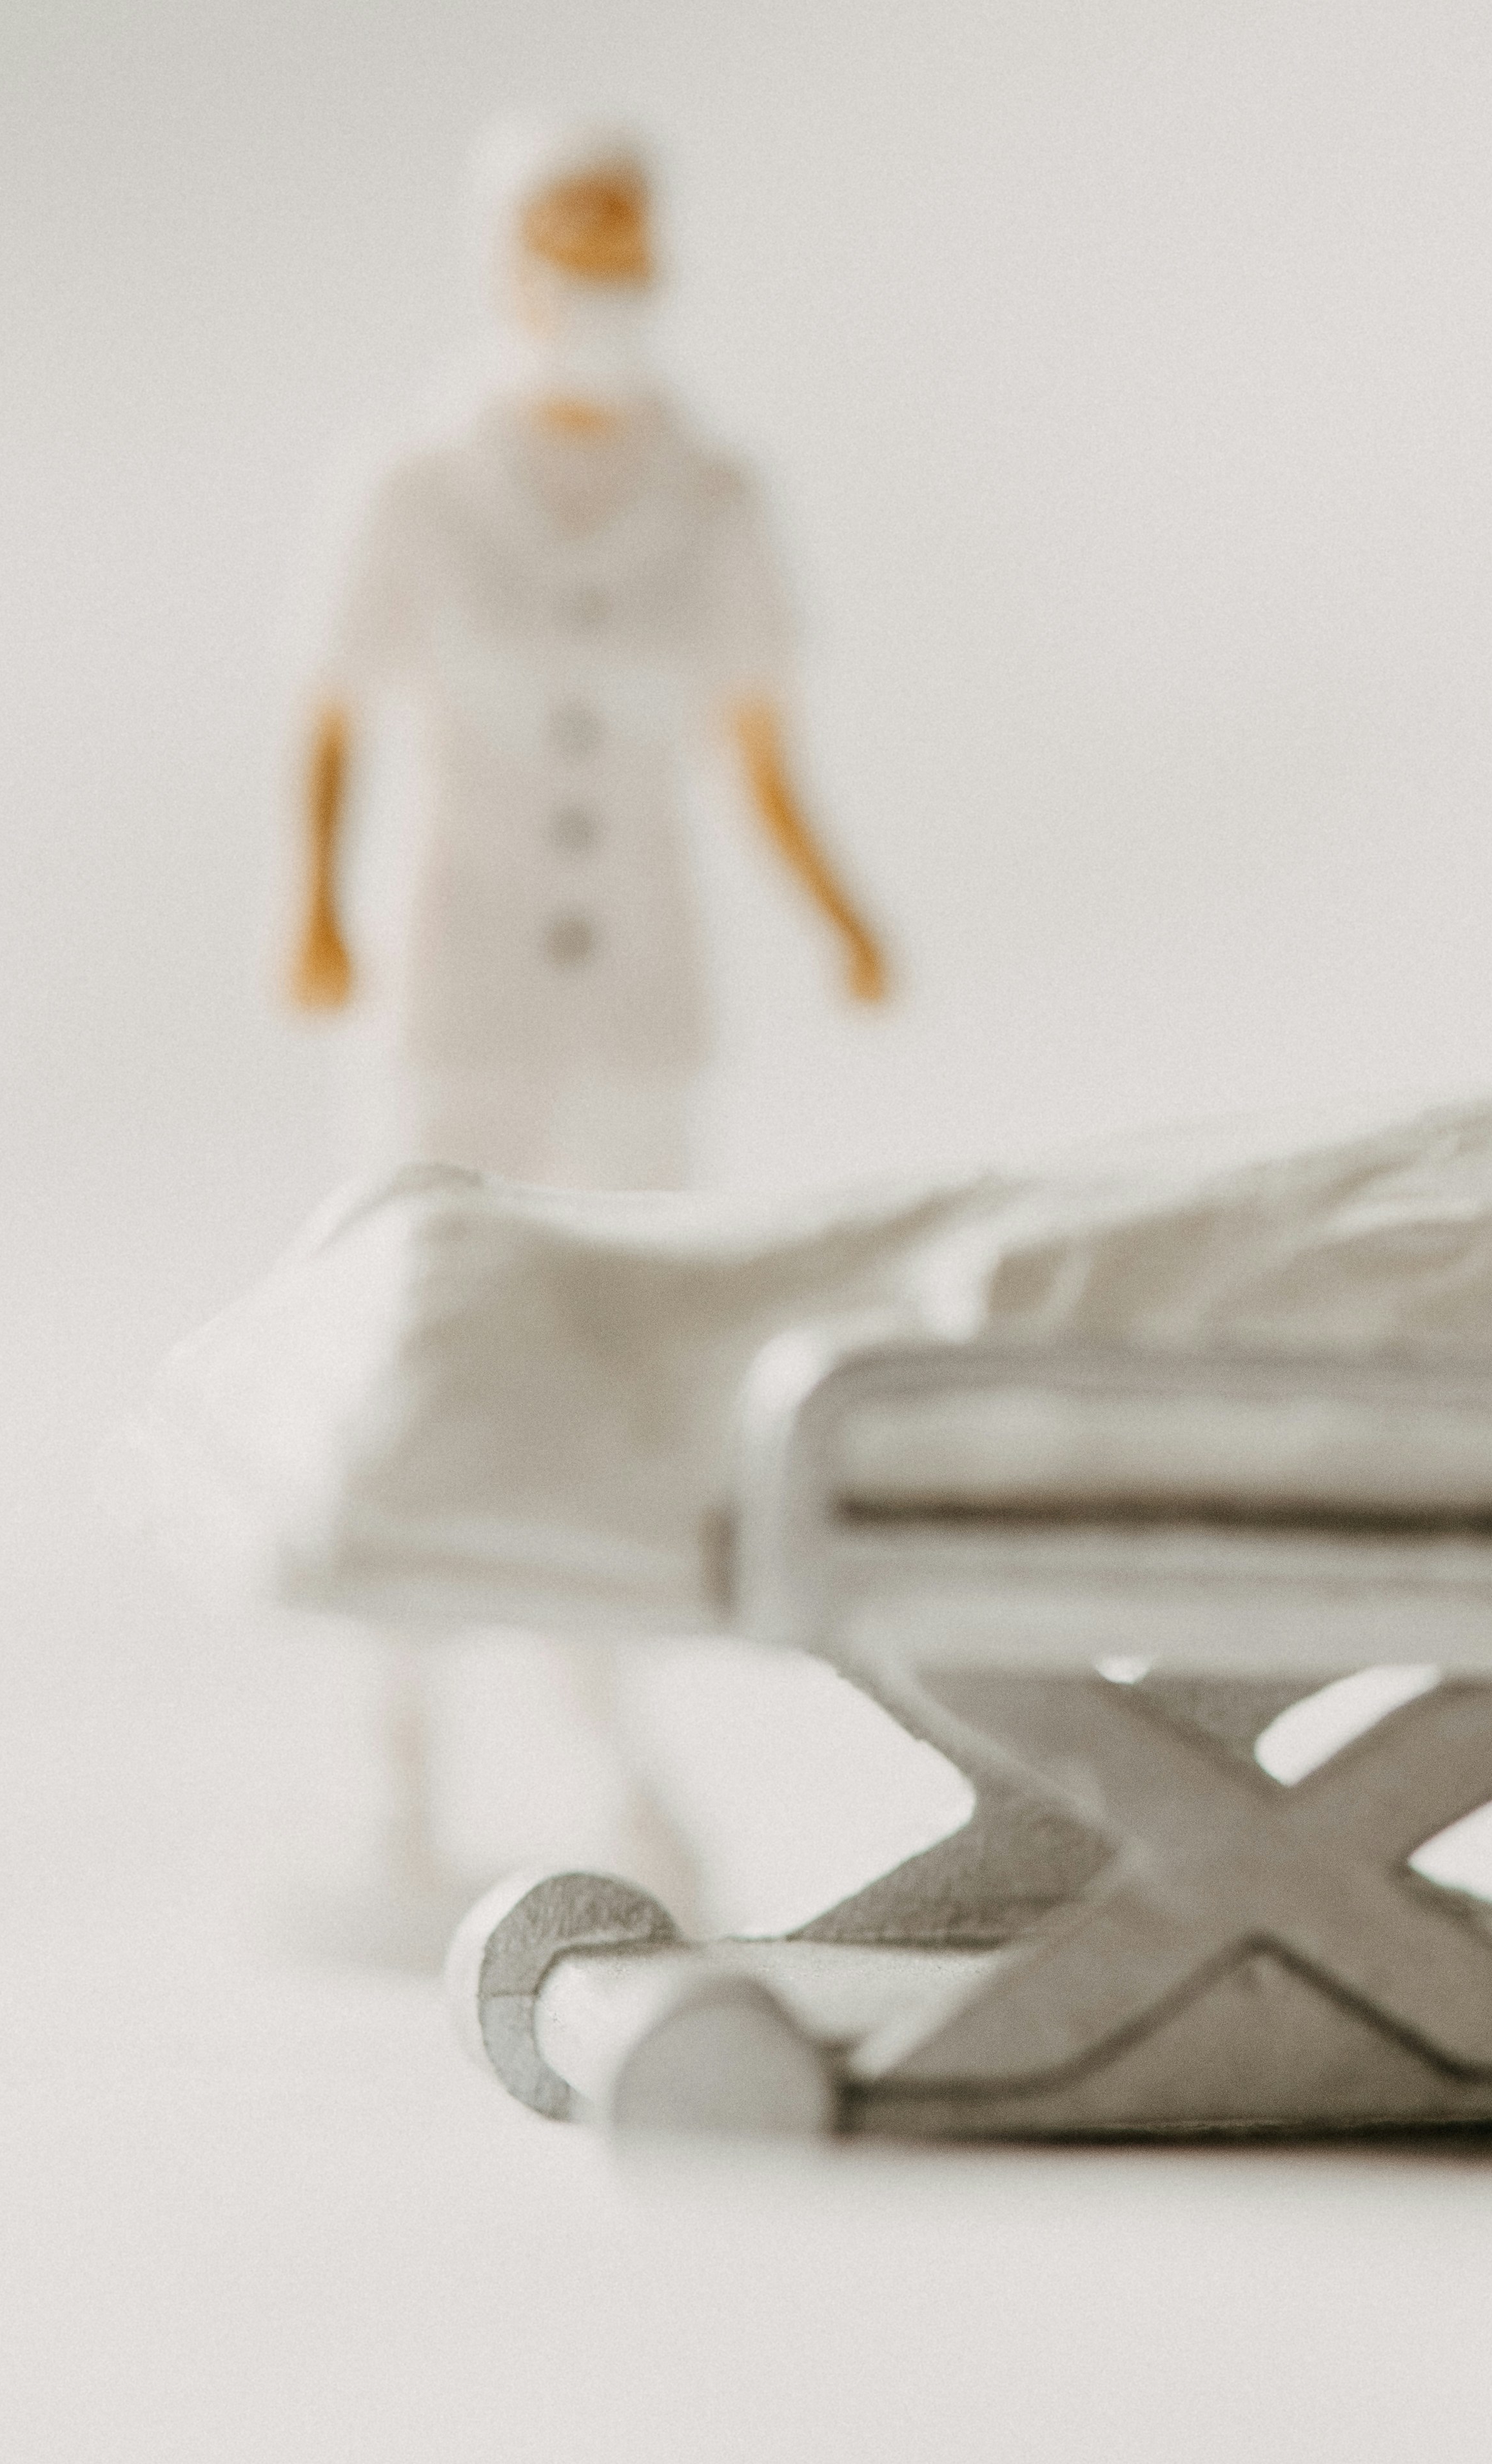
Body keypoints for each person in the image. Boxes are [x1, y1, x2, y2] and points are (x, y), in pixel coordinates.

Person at [275, 113, 892, 1951]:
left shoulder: (710, 498)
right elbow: (336, 713)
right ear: (504, 255)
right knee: (424, 1342)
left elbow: (757, 745)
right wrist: (310, 904)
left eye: (625, 238)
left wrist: (838, 911)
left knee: (625, 1363)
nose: (596, 272)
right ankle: (395, 1775)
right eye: (566, 236)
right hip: (452, 974)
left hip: (631, 980)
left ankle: (622, 1769)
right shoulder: (415, 489)